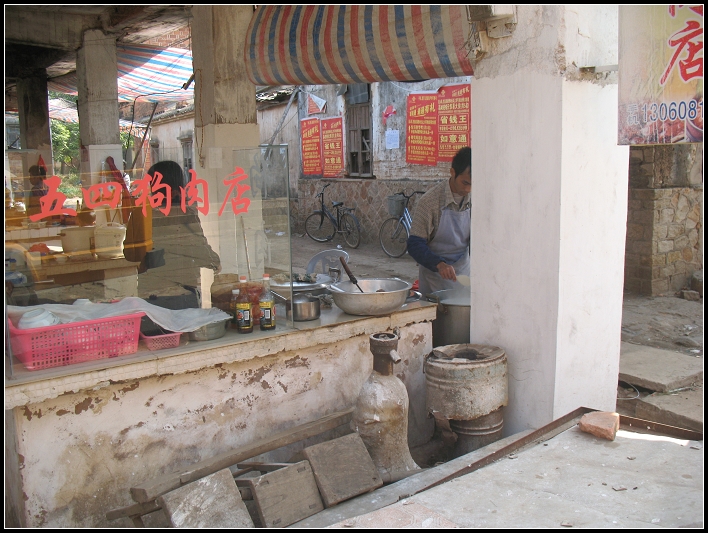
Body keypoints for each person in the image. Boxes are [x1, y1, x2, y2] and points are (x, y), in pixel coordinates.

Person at [137, 160, 221, 308]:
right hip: (179, 296)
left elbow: (134, 257)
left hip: (149, 296)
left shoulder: (144, 214)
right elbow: (204, 255)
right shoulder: (185, 215)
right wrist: (215, 262)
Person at [406, 146, 471, 296]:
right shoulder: (430, 202)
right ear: (453, 172)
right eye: (465, 183)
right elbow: (415, 244)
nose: (468, 189)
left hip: (464, 275)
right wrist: (439, 264)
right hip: (434, 280)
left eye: (473, 184)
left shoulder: (476, 199)